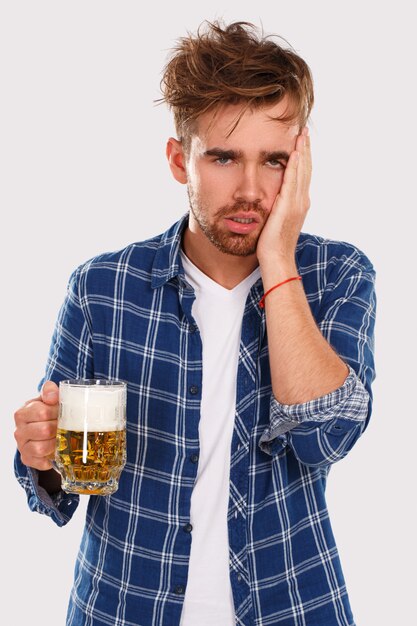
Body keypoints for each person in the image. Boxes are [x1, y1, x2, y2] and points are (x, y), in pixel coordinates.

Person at [14, 19, 376, 626]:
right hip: (123, 610)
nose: (252, 190)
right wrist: (40, 455)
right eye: (225, 157)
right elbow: (57, 491)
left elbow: (325, 437)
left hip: (293, 606)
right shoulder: (103, 287)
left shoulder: (336, 274)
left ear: (301, 165)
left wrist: (279, 258)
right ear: (180, 161)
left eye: (275, 161)